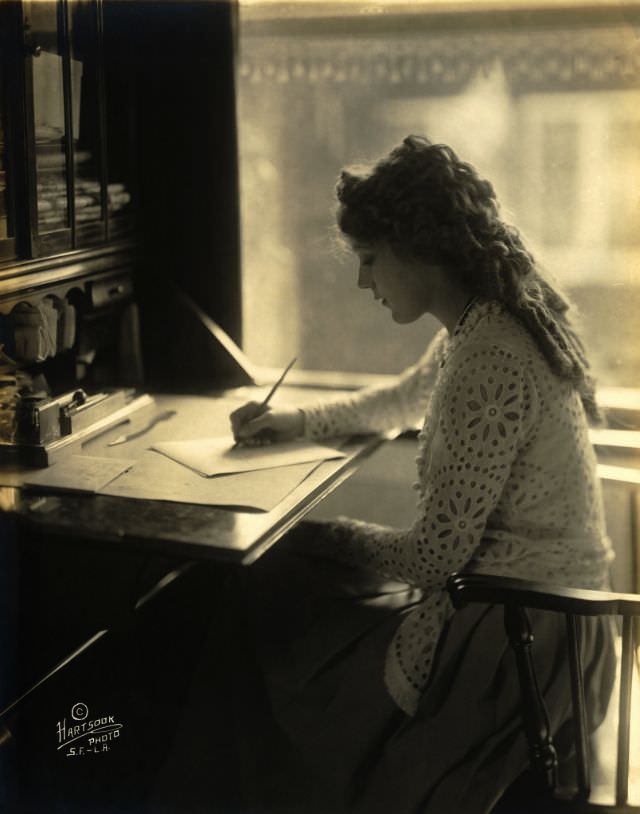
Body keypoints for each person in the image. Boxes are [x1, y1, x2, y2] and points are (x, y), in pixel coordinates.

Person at [229, 136, 615, 814]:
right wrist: (295, 421)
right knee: (290, 592)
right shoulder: (477, 325)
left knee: (277, 608)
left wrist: (324, 535)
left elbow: (434, 558)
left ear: (419, 249)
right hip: (524, 614)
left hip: (523, 646)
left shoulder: (490, 358)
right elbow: (398, 399)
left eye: (371, 260)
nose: (362, 281)